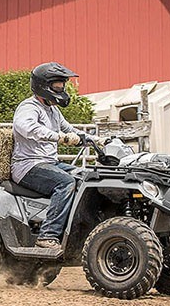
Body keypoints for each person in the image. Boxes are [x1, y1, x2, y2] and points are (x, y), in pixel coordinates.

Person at [11, 62, 102, 252]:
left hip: (50, 163)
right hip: (27, 166)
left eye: (62, 85)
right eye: (57, 86)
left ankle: (79, 230)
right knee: (66, 183)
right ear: (43, 86)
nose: (61, 89)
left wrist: (98, 140)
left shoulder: (53, 109)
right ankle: (48, 236)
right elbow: (27, 128)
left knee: (87, 177)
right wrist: (58, 137)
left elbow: (70, 129)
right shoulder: (29, 107)